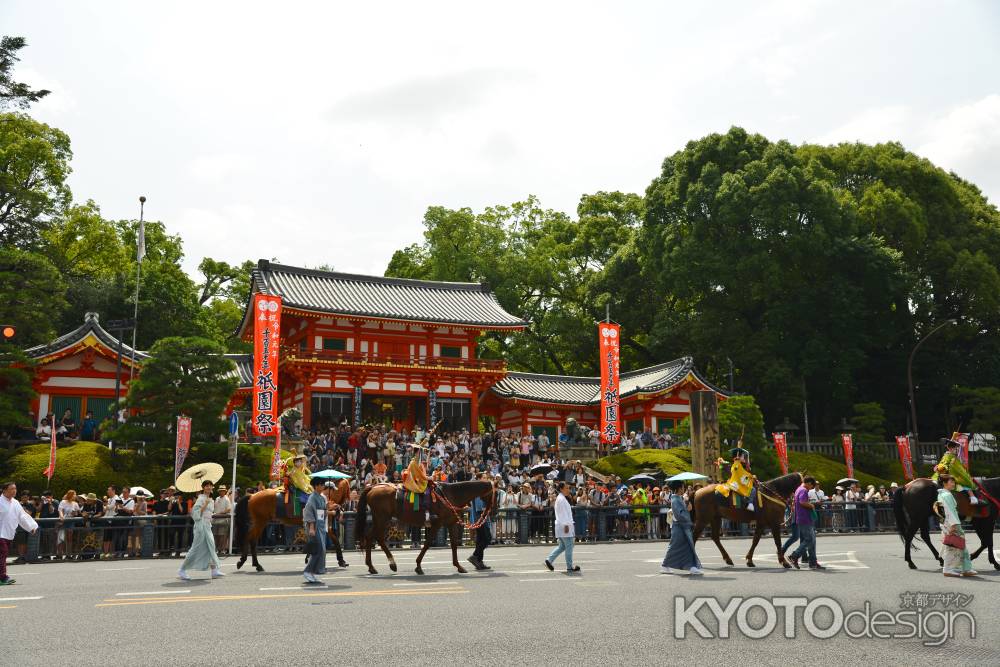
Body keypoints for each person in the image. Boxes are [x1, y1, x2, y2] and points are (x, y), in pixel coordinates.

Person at [178, 480, 223, 581]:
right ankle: (182, 570)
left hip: (207, 525)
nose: (208, 487)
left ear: (212, 487)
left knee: (211, 546)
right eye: (206, 486)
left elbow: (210, 513)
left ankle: (214, 570)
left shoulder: (210, 499)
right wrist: (204, 505)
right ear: (203, 488)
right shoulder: (201, 498)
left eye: (210, 486)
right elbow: (195, 514)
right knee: (195, 548)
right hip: (200, 525)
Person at [937, 474, 976, 577]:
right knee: (953, 546)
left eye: (953, 482)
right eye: (951, 482)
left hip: (946, 522)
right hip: (952, 523)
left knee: (958, 545)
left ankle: (966, 568)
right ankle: (948, 569)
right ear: (944, 483)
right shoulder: (947, 495)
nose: (953, 484)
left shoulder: (941, 494)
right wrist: (953, 524)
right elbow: (950, 511)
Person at [661, 480, 703, 575]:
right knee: (677, 547)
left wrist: (687, 503)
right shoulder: (675, 499)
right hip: (679, 526)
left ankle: (691, 566)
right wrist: (685, 508)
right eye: (683, 487)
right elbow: (680, 514)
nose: (684, 489)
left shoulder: (679, 498)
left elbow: (687, 509)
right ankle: (665, 565)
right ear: (679, 488)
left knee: (684, 546)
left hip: (681, 526)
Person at [1, 482, 38, 585]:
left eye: (15, 489)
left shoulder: (15, 502)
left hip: (8, 533)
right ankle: (3, 577)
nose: (14, 491)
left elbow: (22, 516)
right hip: (0, 534)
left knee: (3, 554)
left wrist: (31, 527)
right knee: (2, 553)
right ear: (4, 490)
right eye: (11, 489)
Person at [788, 476, 824, 570]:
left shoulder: (798, 489)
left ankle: (813, 562)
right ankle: (794, 555)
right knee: (809, 540)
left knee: (812, 540)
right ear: (808, 483)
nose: (810, 488)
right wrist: (811, 505)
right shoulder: (803, 490)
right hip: (805, 518)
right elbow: (802, 502)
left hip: (801, 518)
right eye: (811, 486)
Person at [543, 482, 580, 574]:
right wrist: (566, 525)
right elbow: (563, 514)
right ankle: (569, 566)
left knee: (562, 546)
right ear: (561, 489)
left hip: (562, 525)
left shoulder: (561, 498)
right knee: (569, 546)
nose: (569, 490)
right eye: (567, 488)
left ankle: (549, 559)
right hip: (565, 526)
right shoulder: (561, 499)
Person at [933, 438, 978, 504]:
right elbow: (958, 469)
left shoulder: (946, 455)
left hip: (944, 474)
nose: (957, 450)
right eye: (956, 449)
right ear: (951, 448)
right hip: (951, 475)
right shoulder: (951, 457)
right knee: (966, 481)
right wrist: (964, 475)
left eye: (957, 449)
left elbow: (944, 465)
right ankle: (972, 497)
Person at [303, 477, 328, 584]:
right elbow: (308, 512)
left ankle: (312, 572)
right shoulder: (312, 498)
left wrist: (329, 508)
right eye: (321, 484)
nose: (323, 486)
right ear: (316, 486)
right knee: (318, 550)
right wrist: (312, 527)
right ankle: (308, 571)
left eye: (323, 484)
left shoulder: (322, 498)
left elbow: (322, 513)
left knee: (320, 550)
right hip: (314, 526)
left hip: (321, 526)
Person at [467, 473, 492, 571]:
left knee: (480, 540)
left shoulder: (480, 489)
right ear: (479, 479)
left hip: (480, 518)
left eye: (487, 478)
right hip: (480, 518)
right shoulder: (478, 490)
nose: (486, 479)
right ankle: (474, 556)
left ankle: (479, 561)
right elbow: (479, 507)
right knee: (487, 538)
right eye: (484, 478)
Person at [57, 490, 80, 559]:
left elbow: (78, 512)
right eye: (74, 494)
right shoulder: (63, 502)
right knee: (61, 538)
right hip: (63, 522)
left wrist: (75, 513)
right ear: (70, 495)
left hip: (71, 522)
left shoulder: (75, 503)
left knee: (69, 538)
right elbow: (60, 510)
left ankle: (68, 554)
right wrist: (61, 516)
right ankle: (59, 554)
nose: (75, 496)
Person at [213, 484, 233, 553]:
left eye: (223, 491)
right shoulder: (217, 498)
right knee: (216, 534)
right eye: (220, 491)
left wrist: (221, 513)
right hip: (215, 519)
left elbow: (229, 509)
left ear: (225, 491)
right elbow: (214, 508)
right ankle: (217, 548)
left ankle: (221, 549)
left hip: (223, 519)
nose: (221, 492)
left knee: (222, 535)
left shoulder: (226, 499)